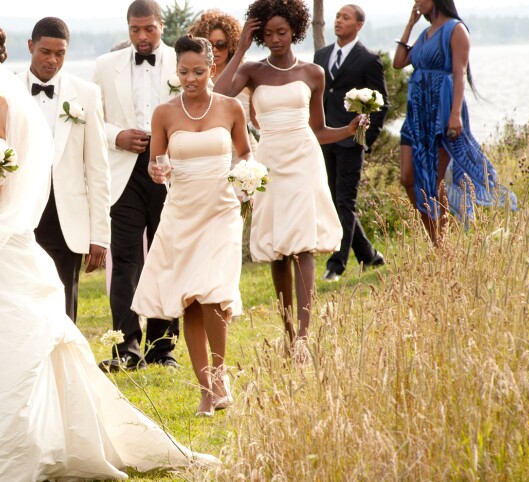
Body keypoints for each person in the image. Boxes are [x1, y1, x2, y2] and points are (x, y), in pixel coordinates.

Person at [0, 22, 218, 480]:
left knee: (12, 339)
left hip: (4, 242)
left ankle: (18, 441)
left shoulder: (13, 111)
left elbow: (30, 180)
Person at [214, 0, 363, 347]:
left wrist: (349, 129)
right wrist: (240, 49)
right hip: (269, 162)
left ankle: (304, 338)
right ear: (260, 35)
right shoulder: (252, 70)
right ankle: (287, 332)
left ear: (294, 30)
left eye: (281, 32)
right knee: (278, 250)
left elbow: (319, 130)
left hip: (303, 161)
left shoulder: (312, 73)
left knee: (302, 247)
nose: (276, 38)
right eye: (268, 33)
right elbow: (219, 94)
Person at [133, 35, 250, 416]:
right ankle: (205, 389)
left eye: (199, 71)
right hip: (182, 212)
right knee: (191, 302)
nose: (191, 79)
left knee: (215, 295)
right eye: (183, 72)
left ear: (212, 68)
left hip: (221, 209)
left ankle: (219, 375)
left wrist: (247, 179)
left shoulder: (231, 108)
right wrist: (156, 168)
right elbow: (156, 163)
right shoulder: (164, 113)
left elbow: (245, 153)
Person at [93, 0, 181, 372]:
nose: (142, 37)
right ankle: (125, 349)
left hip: (171, 175)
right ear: (127, 28)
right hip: (123, 177)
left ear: (161, 25)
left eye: (149, 29)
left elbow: (195, 112)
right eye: (135, 30)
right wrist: (117, 137)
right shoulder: (104, 66)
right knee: (127, 261)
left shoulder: (182, 61)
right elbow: (94, 120)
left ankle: (162, 350)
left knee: (166, 259)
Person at [393, 0, 516, 244]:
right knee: (407, 177)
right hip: (416, 113)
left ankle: (442, 243)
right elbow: (398, 62)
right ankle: (435, 236)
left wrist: (455, 114)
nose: (416, 1)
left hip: (442, 109)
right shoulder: (425, 33)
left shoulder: (456, 29)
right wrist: (409, 24)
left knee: (437, 180)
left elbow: (459, 74)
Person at [18, 17, 111, 322]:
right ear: (30, 46)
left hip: (64, 215)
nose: (52, 60)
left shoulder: (86, 94)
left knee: (63, 297)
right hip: (19, 211)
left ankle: (62, 365)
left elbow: (97, 168)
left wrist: (100, 235)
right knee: (20, 295)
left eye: (60, 53)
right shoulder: (9, 93)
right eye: (45, 51)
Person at [313, 4, 388, 282]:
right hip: (324, 138)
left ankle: (336, 264)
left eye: (346, 17)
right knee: (334, 202)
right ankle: (369, 255)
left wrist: (365, 140)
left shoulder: (368, 59)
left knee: (344, 201)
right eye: (337, 16)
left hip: (351, 142)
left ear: (358, 25)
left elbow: (382, 102)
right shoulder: (321, 55)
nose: (338, 21)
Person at [187, 8, 260, 151]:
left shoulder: (245, 75)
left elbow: (257, 122)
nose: (214, 50)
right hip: (208, 151)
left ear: (231, 43)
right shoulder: (192, 79)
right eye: (209, 44)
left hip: (244, 153)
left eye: (220, 44)